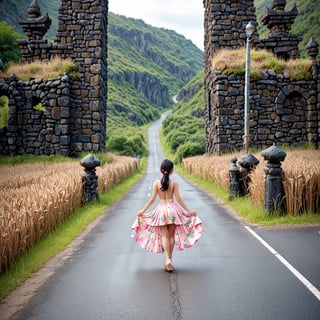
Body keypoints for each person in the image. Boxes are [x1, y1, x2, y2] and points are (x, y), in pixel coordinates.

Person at [131, 159, 204, 272]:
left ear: (161, 170)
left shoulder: (156, 183)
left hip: (161, 210)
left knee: (164, 236)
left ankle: (167, 260)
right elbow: (178, 199)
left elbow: (152, 199)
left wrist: (143, 210)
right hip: (173, 210)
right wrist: (188, 211)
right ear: (171, 171)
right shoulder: (174, 184)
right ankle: (170, 259)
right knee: (171, 236)